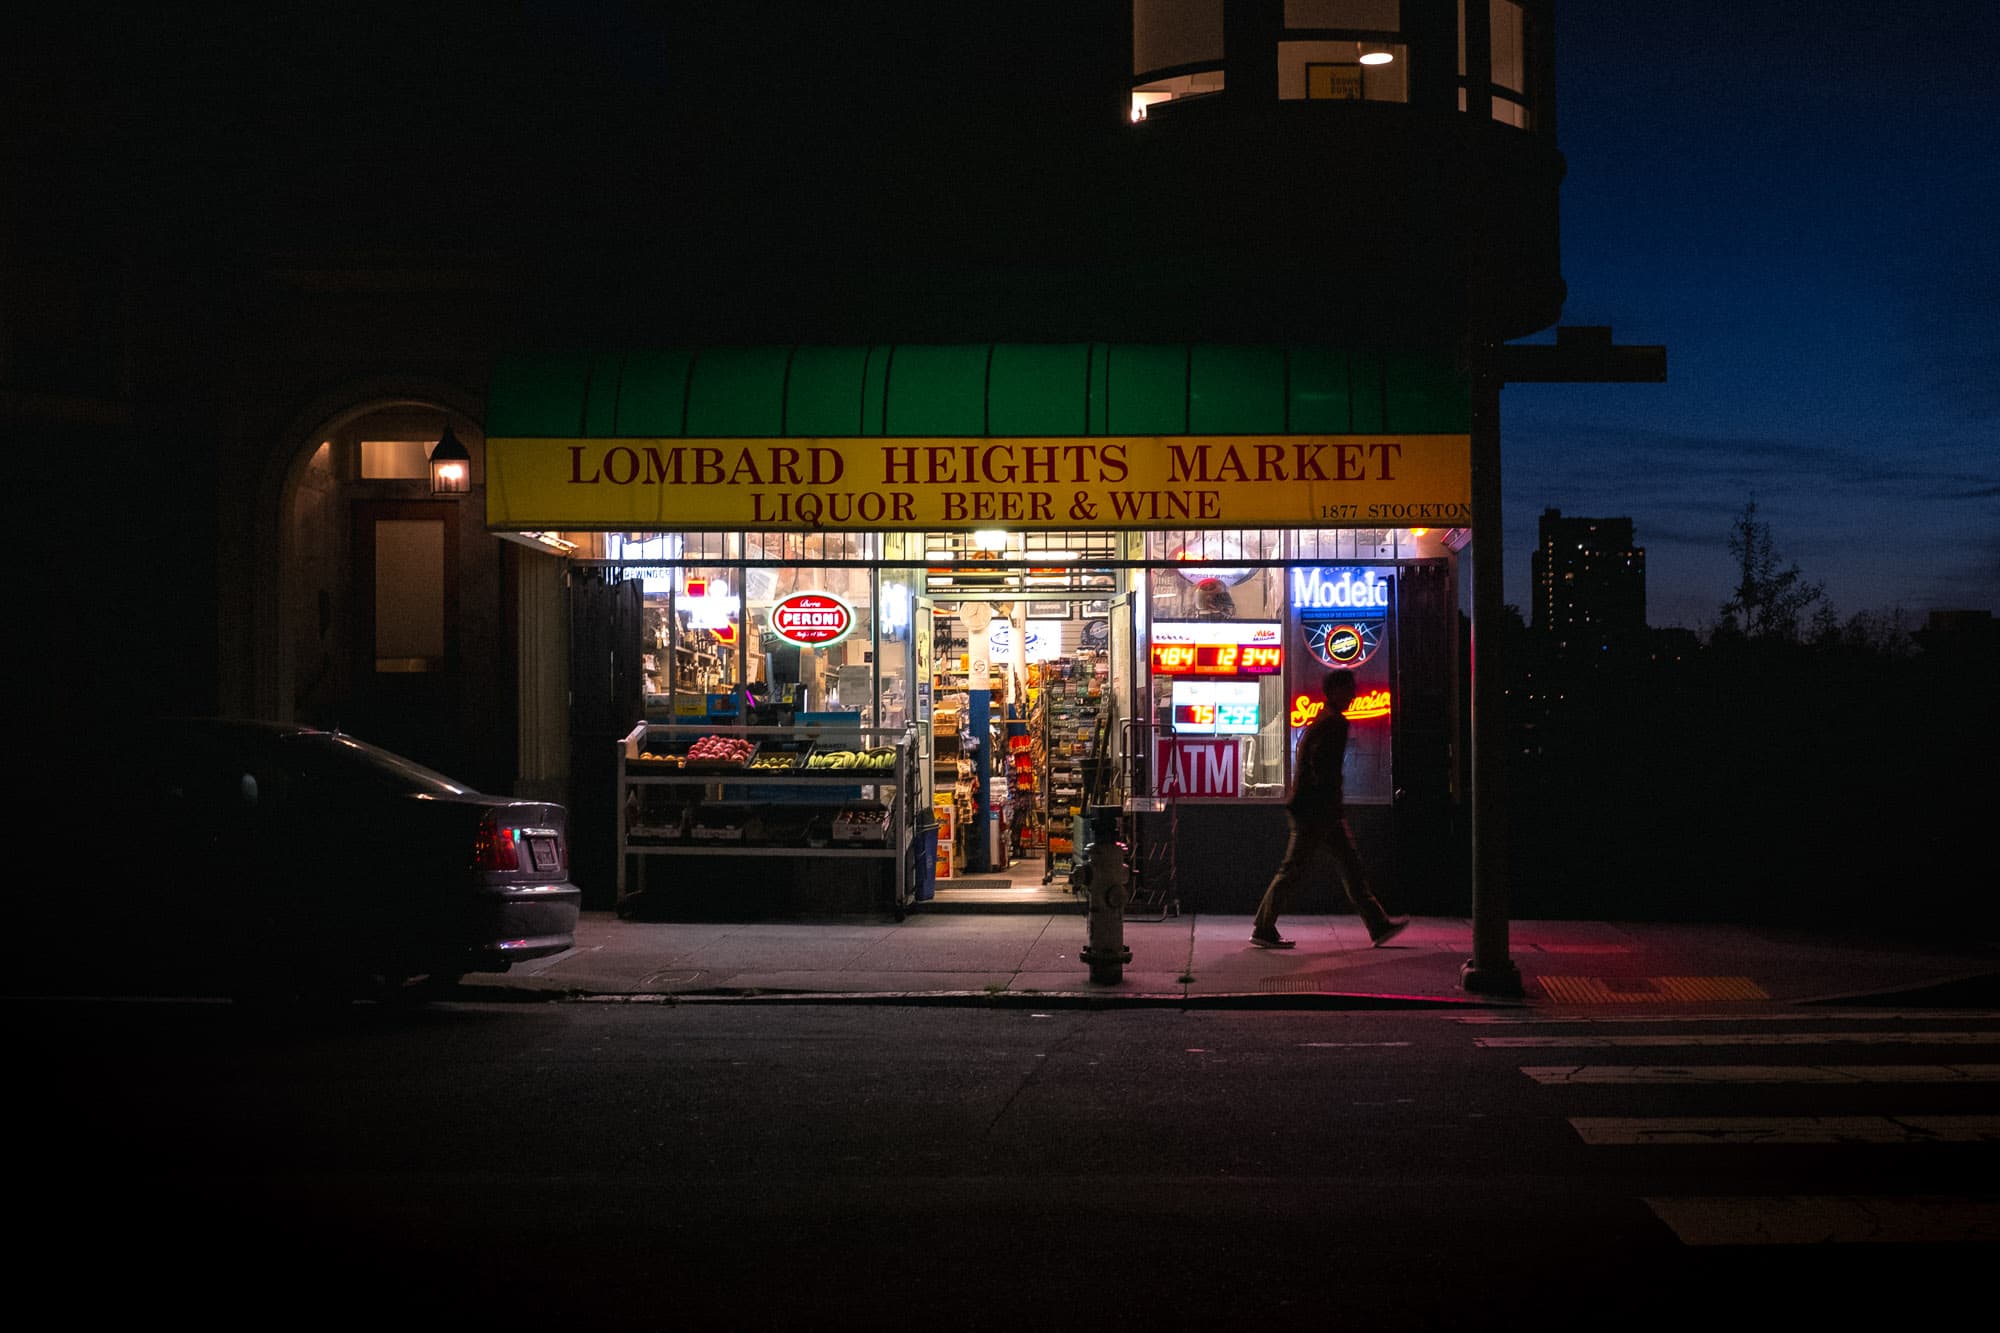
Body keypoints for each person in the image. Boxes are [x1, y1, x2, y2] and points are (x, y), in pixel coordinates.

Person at [1251, 669, 1408, 949]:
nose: (1354, 694)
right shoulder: (1334, 723)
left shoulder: (1324, 720)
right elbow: (1323, 768)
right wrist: (1330, 802)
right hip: (1317, 812)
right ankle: (1263, 927)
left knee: (1347, 867)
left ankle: (1378, 924)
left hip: (1318, 810)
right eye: (1349, 688)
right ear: (1335, 690)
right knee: (1299, 869)